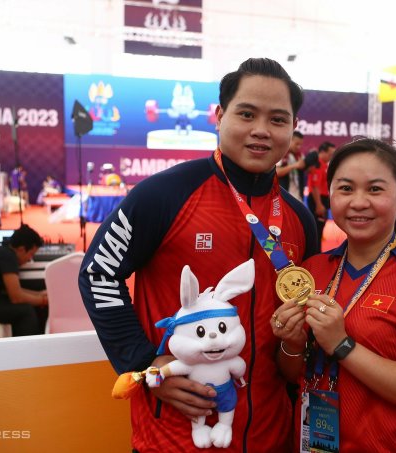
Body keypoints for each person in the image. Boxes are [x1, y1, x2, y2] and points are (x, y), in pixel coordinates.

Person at [78, 58, 318, 453]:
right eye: (246, 114)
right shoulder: (165, 194)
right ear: (219, 116)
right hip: (174, 437)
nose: (261, 130)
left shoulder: (299, 218)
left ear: (293, 130)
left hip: (270, 435)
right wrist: (145, 365)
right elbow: (98, 273)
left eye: (277, 119)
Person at [271, 137, 396, 452]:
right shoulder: (314, 270)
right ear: (329, 193)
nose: (358, 202)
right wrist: (291, 343)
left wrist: (343, 346)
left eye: (375, 189)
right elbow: (295, 375)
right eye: (345, 188)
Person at [0, 224, 47, 336]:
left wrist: (39, 294)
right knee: (26, 312)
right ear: (22, 249)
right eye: (31, 254)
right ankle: (28, 351)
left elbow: (16, 290)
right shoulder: (8, 257)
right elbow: (16, 297)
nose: (29, 259)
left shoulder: (3, 252)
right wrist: (43, 300)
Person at [307, 141, 336, 251]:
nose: (331, 156)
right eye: (330, 154)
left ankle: (318, 250)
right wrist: (319, 205)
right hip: (317, 199)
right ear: (322, 152)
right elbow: (315, 186)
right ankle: (315, 252)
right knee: (317, 228)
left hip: (322, 199)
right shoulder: (317, 165)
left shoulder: (324, 165)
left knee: (321, 227)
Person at [276, 130, 306, 200]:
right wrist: (294, 166)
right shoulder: (281, 153)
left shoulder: (300, 155)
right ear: (290, 140)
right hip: (283, 196)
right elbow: (276, 172)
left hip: (298, 196)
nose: (299, 147)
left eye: (300, 145)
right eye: (297, 144)